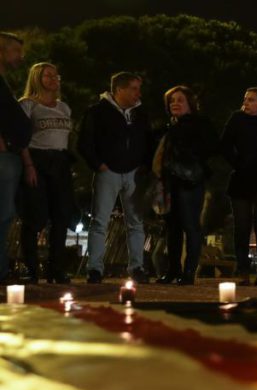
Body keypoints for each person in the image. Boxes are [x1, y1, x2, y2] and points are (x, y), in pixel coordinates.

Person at [78, 72, 153, 284]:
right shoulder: (97, 111)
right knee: (100, 221)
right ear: (119, 89)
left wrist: (145, 166)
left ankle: (137, 267)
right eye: (134, 88)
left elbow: (148, 141)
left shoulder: (140, 114)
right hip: (107, 171)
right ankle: (95, 269)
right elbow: (85, 141)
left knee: (136, 222)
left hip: (134, 173)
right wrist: (98, 164)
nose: (138, 93)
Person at [154, 86, 218, 285]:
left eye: (180, 100)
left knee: (190, 226)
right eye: (172, 100)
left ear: (190, 103)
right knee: (172, 227)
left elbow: (212, 148)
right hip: (170, 182)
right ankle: (173, 270)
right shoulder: (169, 127)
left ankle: (189, 271)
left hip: (189, 181)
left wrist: (191, 159)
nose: (175, 103)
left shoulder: (200, 124)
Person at [17, 62, 75, 284]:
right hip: (37, 160)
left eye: (56, 75)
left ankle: (56, 269)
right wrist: (28, 165)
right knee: (35, 216)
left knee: (61, 216)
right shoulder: (28, 105)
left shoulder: (64, 107)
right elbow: (21, 137)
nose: (53, 79)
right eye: (47, 75)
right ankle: (31, 269)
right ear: (36, 78)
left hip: (60, 161)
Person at [221, 87, 257, 286]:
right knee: (242, 227)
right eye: (245, 99)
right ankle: (243, 270)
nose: (246, 102)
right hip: (241, 180)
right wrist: (238, 162)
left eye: (252, 99)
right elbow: (225, 144)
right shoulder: (237, 119)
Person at [0, 32, 32, 286]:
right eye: (16, 52)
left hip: (9, 154)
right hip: (3, 156)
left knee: (6, 214)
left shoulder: (4, 82)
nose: (21, 58)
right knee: (2, 213)